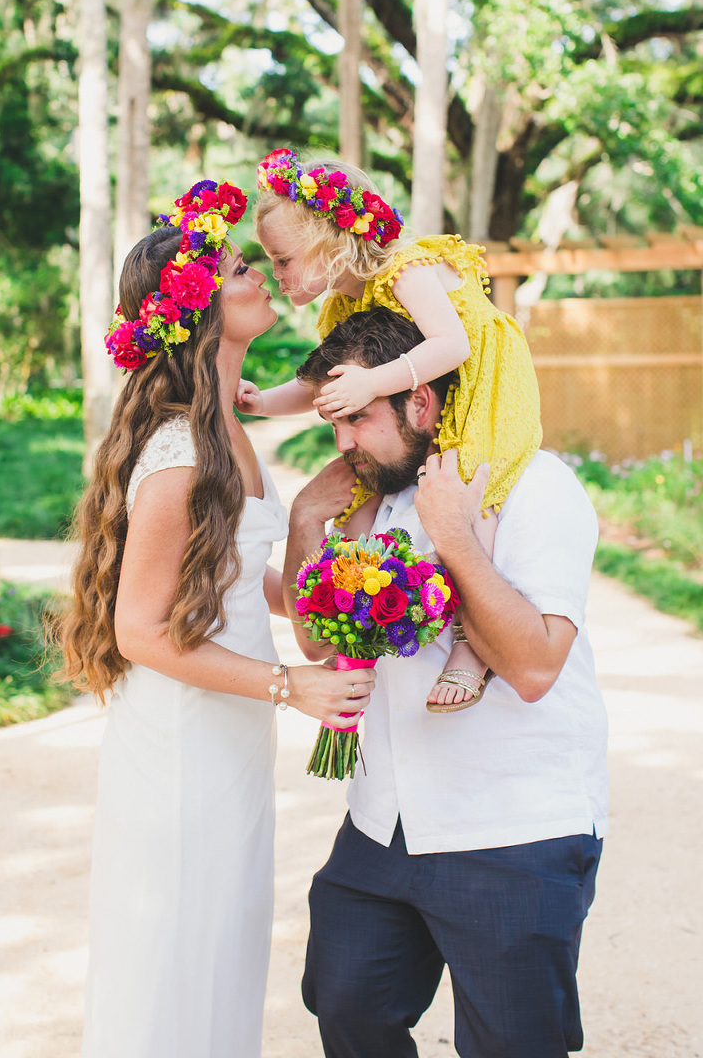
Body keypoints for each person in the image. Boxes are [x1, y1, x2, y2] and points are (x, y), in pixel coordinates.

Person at [58, 180, 374, 1058]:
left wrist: (338, 600)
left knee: (223, 945)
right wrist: (291, 684)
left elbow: (235, 577)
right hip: (184, 743)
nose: (264, 276)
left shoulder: (229, 431)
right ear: (201, 307)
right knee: (176, 954)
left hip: (227, 734)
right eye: (244, 267)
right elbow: (141, 632)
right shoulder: (180, 450)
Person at [282, 307, 608, 1058]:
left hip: (511, 826)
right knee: (346, 1007)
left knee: (514, 1046)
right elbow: (321, 644)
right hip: (380, 824)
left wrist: (454, 533)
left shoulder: (534, 488)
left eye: (357, 418)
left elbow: (531, 667)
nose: (343, 444)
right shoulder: (375, 497)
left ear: (419, 400)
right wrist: (306, 521)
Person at [236, 146, 543, 714]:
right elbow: (321, 384)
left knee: (476, 489)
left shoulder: (404, 268)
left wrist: (375, 382)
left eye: (284, 260)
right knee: (392, 499)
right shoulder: (339, 306)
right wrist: (261, 402)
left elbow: (453, 345)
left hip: (481, 380)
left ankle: (473, 647)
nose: (275, 275)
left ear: (331, 242)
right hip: (421, 386)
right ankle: (358, 625)